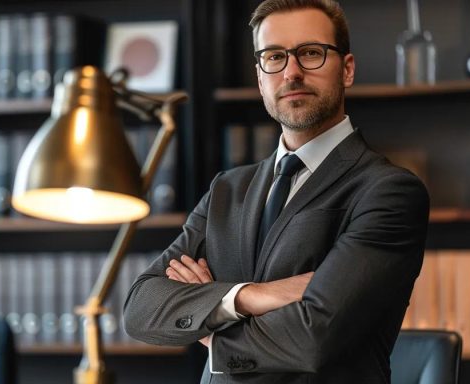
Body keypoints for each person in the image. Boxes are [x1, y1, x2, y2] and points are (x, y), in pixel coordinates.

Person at [122, 0, 430, 382]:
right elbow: (139, 308)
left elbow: (313, 338)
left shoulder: (389, 192)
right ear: (260, 76)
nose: (292, 72)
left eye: (311, 53)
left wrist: (209, 320)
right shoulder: (227, 189)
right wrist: (250, 296)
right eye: (274, 57)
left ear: (347, 69)